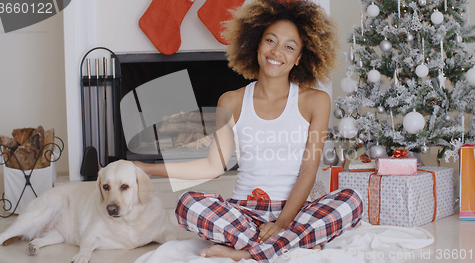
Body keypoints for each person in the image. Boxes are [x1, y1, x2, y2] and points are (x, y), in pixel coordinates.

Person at [133, 0, 363, 262]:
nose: (277, 52)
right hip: (242, 214)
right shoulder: (230, 101)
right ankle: (289, 245)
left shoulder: (316, 101)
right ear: (256, 43)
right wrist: (149, 168)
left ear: (300, 57)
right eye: (270, 40)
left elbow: (308, 171)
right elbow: (212, 167)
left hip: (295, 212)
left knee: (352, 201)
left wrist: (282, 222)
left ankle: (244, 252)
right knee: (187, 205)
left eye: (289, 47)